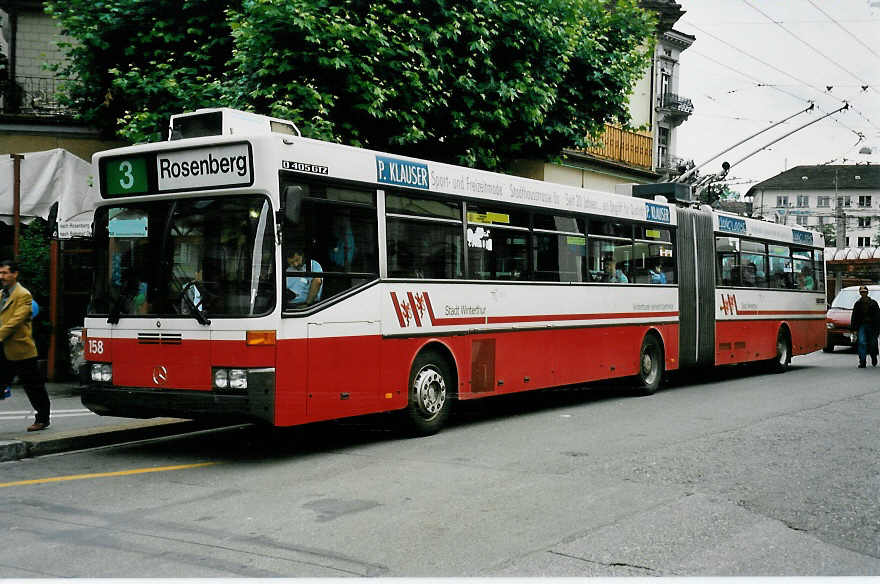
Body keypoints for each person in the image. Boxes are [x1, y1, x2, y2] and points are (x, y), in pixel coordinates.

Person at [0, 259, 50, 431]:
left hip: (21, 349)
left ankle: (43, 418)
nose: (2, 276)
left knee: (33, 386)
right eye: (1, 273)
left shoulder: (23, 295)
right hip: (3, 348)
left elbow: (15, 321)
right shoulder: (1, 294)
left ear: (15, 274)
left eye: (6, 273)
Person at [851, 285, 880, 368]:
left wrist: (877, 329)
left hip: (872, 326)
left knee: (873, 343)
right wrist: (854, 329)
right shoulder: (857, 304)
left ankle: (873, 357)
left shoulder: (873, 303)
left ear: (867, 293)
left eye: (864, 292)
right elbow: (854, 317)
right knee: (862, 342)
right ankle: (862, 361)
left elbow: (878, 317)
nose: (863, 293)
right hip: (862, 326)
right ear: (860, 293)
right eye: (861, 292)